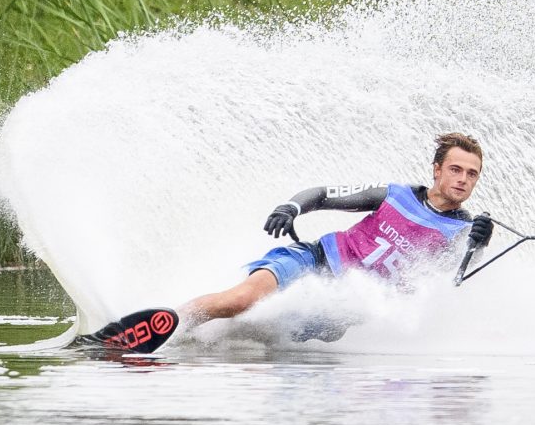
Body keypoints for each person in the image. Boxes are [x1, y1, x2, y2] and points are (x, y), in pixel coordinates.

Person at [178, 132, 493, 334]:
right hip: (315, 260)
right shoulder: (396, 195)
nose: (463, 179)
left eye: (471, 174)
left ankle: (197, 341)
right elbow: (323, 194)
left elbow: (448, 283)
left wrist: (477, 245)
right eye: (455, 169)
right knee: (241, 300)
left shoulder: (461, 231)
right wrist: (291, 207)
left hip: (338, 310)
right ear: (437, 169)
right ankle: (171, 321)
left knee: (262, 335)